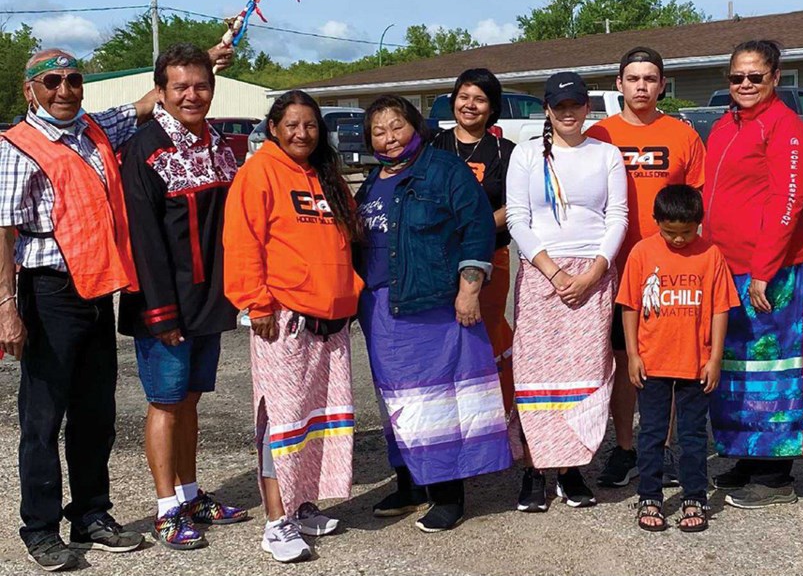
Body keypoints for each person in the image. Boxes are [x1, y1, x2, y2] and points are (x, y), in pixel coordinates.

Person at [0, 43, 230, 572]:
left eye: (73, 79)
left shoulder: (94, 129)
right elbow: (4, 234)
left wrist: (206, 62)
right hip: (45, 291)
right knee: (43, 416)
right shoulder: (17, 146)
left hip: (95, 290)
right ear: (29, 89)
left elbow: (156, 100)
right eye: (52, 82)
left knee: (95, 411)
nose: (64, 90)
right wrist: (7, 305)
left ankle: (91, 515)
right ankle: (40, 528)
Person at [355, 95, 511, 533]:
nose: (388, 138)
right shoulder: (372, 181)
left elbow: (478, 226)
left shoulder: (444, 170)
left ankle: (447, 496)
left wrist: (469, 287)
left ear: (416, 127)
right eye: (378, 131)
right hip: (382, 309)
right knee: (397, 403)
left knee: (439, 404)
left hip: (434, 305)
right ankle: (408, 485)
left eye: (396, 127)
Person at [224, 90, 365, 561]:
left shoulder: (327, 175)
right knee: (282, 419)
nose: (302, 133)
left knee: (316, 418)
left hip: (332, 319)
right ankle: (276, 521)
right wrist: (255, 303)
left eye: (310, 125)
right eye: (292, 125)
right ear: (274, 127)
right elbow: (242, 241)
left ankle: (302, 504)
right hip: (282, 317)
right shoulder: (259, 172)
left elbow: (348, 242)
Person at [119, 43, 248, 551]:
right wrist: (160, 311)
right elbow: (143, 238)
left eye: (201, 85)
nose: (193, 95)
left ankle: (191, 493)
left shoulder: (220, 144)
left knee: (192, 400)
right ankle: (165, 507)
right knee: (165, 403)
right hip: (164, 304)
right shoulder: (145, 148)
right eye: (181, 87)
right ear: (162, 92)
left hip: (208, 299)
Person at [506, 71, 628, 512]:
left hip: (594, 274)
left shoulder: (606, 154)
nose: (569, 113)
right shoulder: (525, 155)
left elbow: (617, 217)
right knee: (535, 374)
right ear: (547, 110)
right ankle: (535, 469)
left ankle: (573, 468)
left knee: (585, 374)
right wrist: (554, 273)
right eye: (560, 106)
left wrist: (596, 270)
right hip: (543, 272)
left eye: (576, 104)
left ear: (587, 107)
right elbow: (518, 219)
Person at [702, 40, 803, 509]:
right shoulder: (726, 124)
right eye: (737, 77)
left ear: (775, 78)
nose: (745, 84)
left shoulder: (787, 129)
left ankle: (775, 474)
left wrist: (766, 272)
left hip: (770, 271)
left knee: (771, 367)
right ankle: (747, 454)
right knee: (736, 369)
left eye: (755, 77)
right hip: (727, 267)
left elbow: (787, 205)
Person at [586, 46, 706, 488]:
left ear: (661, 85)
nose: (641, 86)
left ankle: (665, 447)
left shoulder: (683, 135)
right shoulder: (599, 133)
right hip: (612, 266)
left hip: (668, 267)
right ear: (618, 84)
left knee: (666, 363)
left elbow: (697, 203)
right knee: (622, 361)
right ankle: (625, 447)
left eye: (650, 79)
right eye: (632, 78)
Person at [617, 185, 736, 532]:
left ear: (699, 224)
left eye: (687, 232)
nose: (680, 239)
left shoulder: (711, 254)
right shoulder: (642, 252)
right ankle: (650, 495)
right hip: (652, 363)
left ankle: (694, 496)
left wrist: (714, 357)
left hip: (695, 365)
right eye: (670, 232)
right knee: (652, 433)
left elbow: (719, 309)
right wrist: (633, 355)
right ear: (656, 222)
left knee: (694, 435)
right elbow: (630, 306)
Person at [431, 68, 516, 411]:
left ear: (492, 107)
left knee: (487, 334)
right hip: (438, 259)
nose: (470, 105)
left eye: (479, 99)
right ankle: (449, 414)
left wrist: (473, 227)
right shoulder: (432, 147)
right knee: (444, 338)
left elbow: (516, 205)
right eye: (463, 97)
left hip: (491, 257)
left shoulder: (505, 151)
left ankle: (495, 414)